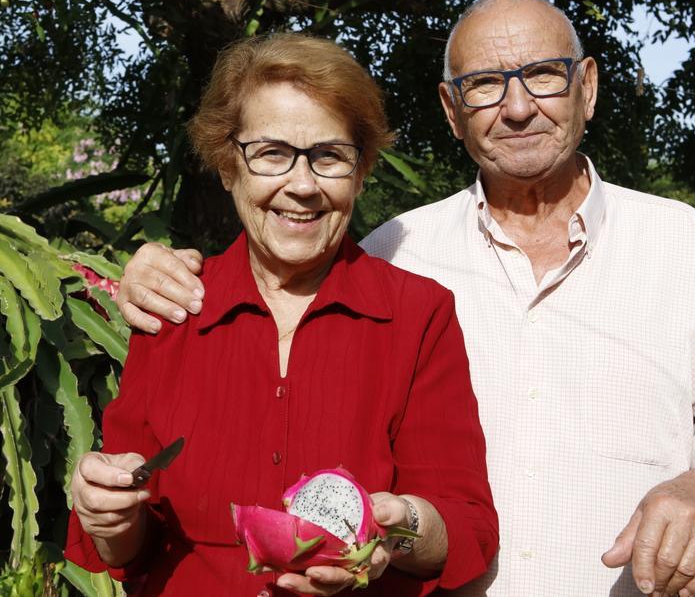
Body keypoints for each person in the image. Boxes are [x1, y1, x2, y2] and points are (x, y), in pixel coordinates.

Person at [114, 0, 695, 597]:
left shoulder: (682, 246)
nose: (518, 107)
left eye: (543, 76)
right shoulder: (398, 248)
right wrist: (154, 269)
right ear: (452, 109)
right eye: (486, 84)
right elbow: (283, 267)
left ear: (587, 86)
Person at [65, 33, 499, 596]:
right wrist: (110, 516)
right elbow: (130, 544)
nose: (301, 185)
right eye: (272, 153)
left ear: (360, 170)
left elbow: (464, 528)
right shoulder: (173, 307)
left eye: (329, 156)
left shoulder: (417, 315)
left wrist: (398, 527)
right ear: (228, 166)